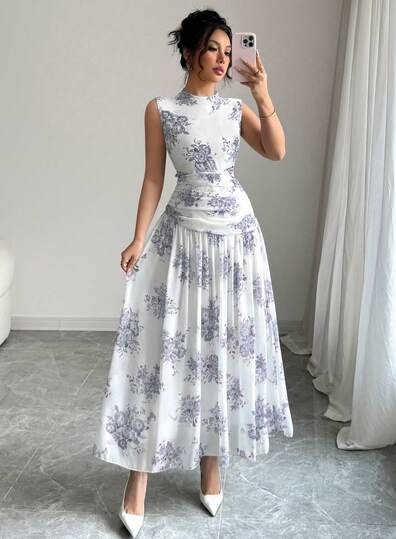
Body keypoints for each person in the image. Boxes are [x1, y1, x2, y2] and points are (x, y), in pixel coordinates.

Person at [92, 8, 293, 537]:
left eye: (228, 51)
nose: (223, 60)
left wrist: (262, 93)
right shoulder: (160, 110)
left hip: (236, 243)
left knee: (219, 349)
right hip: (181, 239)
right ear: (188, 53)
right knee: (163, 353)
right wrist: (138, 237)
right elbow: (153, 179)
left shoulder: (234, 109)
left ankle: (211, 462)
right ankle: (137, 481)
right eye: (213, 49)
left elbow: (276, 151)